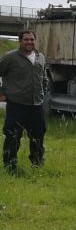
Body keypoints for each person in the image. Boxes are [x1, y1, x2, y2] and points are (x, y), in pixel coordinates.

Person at [0, 30, 49, 174]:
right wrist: (2, 92)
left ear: (35, 41)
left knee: (38, 136)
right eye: (26, 39)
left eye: (32, 39)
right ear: (20, 41)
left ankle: (37, 165)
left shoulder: (40, 57)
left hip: (36, 105)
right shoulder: (10, 57)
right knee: (13, 136)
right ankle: (10, 167)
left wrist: (43, 90)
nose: (29, 42)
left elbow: (43, 76)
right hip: (17, 104)